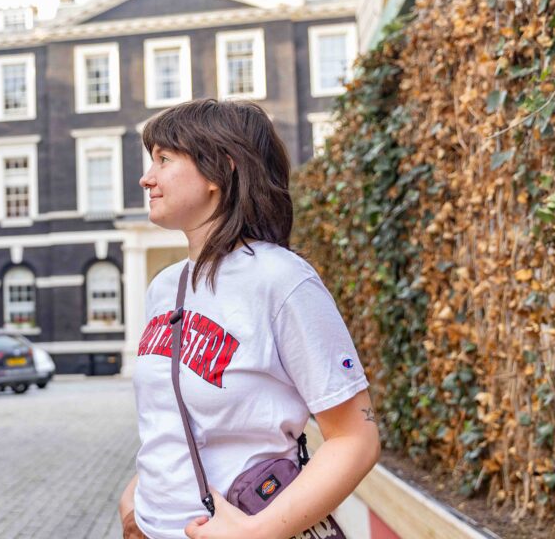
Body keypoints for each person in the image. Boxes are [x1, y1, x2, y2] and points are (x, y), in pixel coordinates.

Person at [118, 99, 380, 539]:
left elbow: (356, 438)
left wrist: (256, 533)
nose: (147, 177)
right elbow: (171, 417)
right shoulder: (165, 287)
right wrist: (135, 499)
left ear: (222, 168)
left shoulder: (281, 280)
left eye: (164, 159)